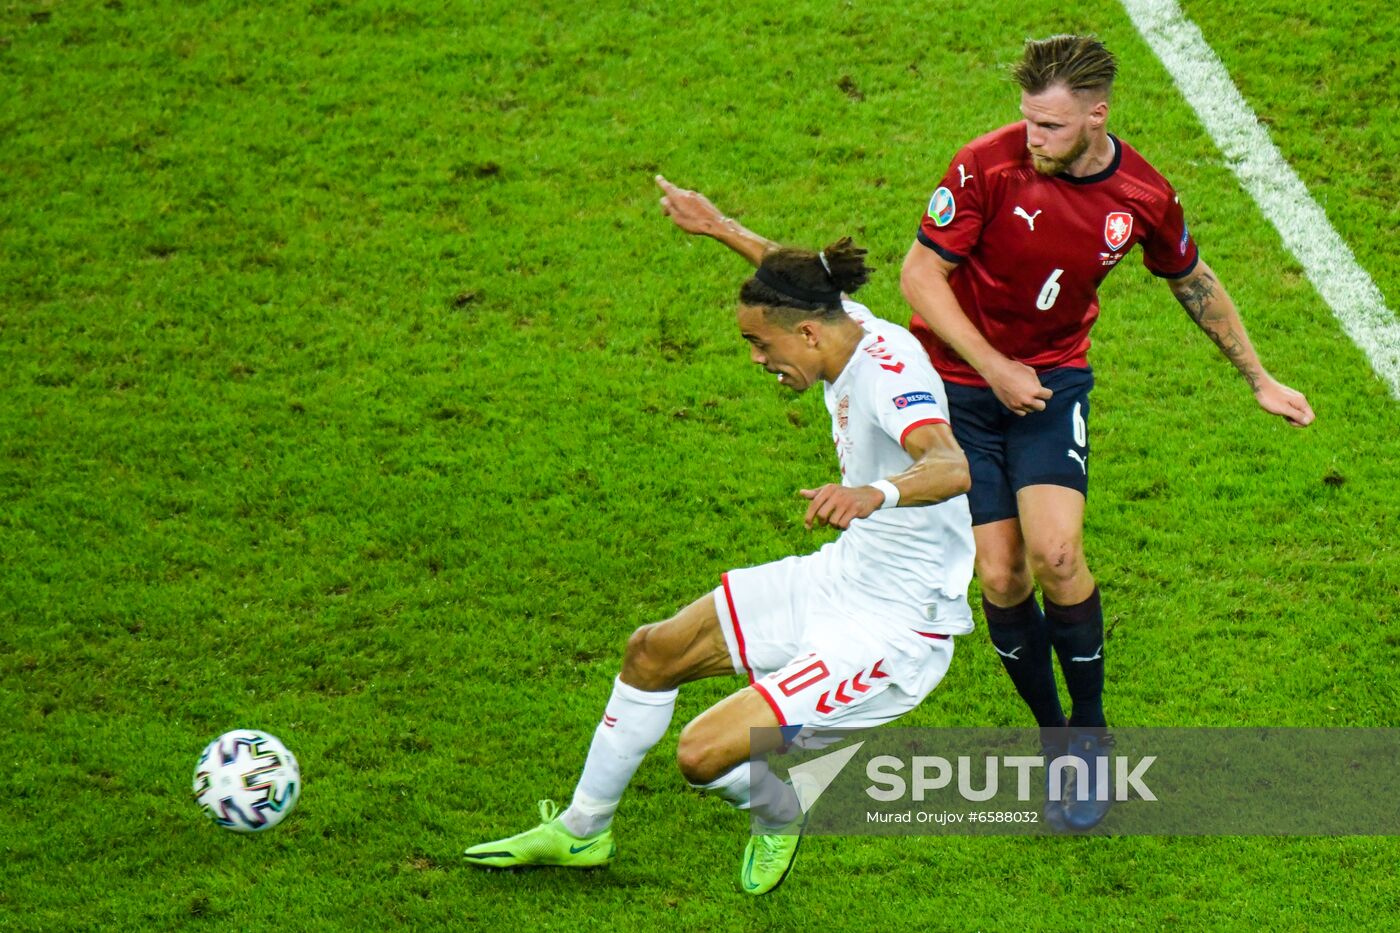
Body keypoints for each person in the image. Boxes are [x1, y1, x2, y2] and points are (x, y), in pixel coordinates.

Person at [465, 176, 977, 894]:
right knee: (652, 650)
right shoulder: (833, 316)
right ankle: (583, 832)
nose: (758, 361)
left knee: (701, 753)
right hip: (844, 575)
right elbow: (793, 273)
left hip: (895, 627)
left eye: (759, 345)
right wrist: (718, 226)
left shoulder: (890, 380)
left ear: (803, 332)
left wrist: (873, 492)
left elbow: (950, 465)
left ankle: (783, 802)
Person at [900, 34, 1315, 831]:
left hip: (1052, 384)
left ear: (1097, 116)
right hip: (959, 388)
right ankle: (1052, 736)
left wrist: (1259, 378)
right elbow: (920, 274)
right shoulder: (985, 164)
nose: (1033, 138)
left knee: (1058, 554)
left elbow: (1191, 277)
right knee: (1001, 575)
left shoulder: (1142, 196)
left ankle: (1087, 730)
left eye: (1051, 127)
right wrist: (991, 367)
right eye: (1027, 121)